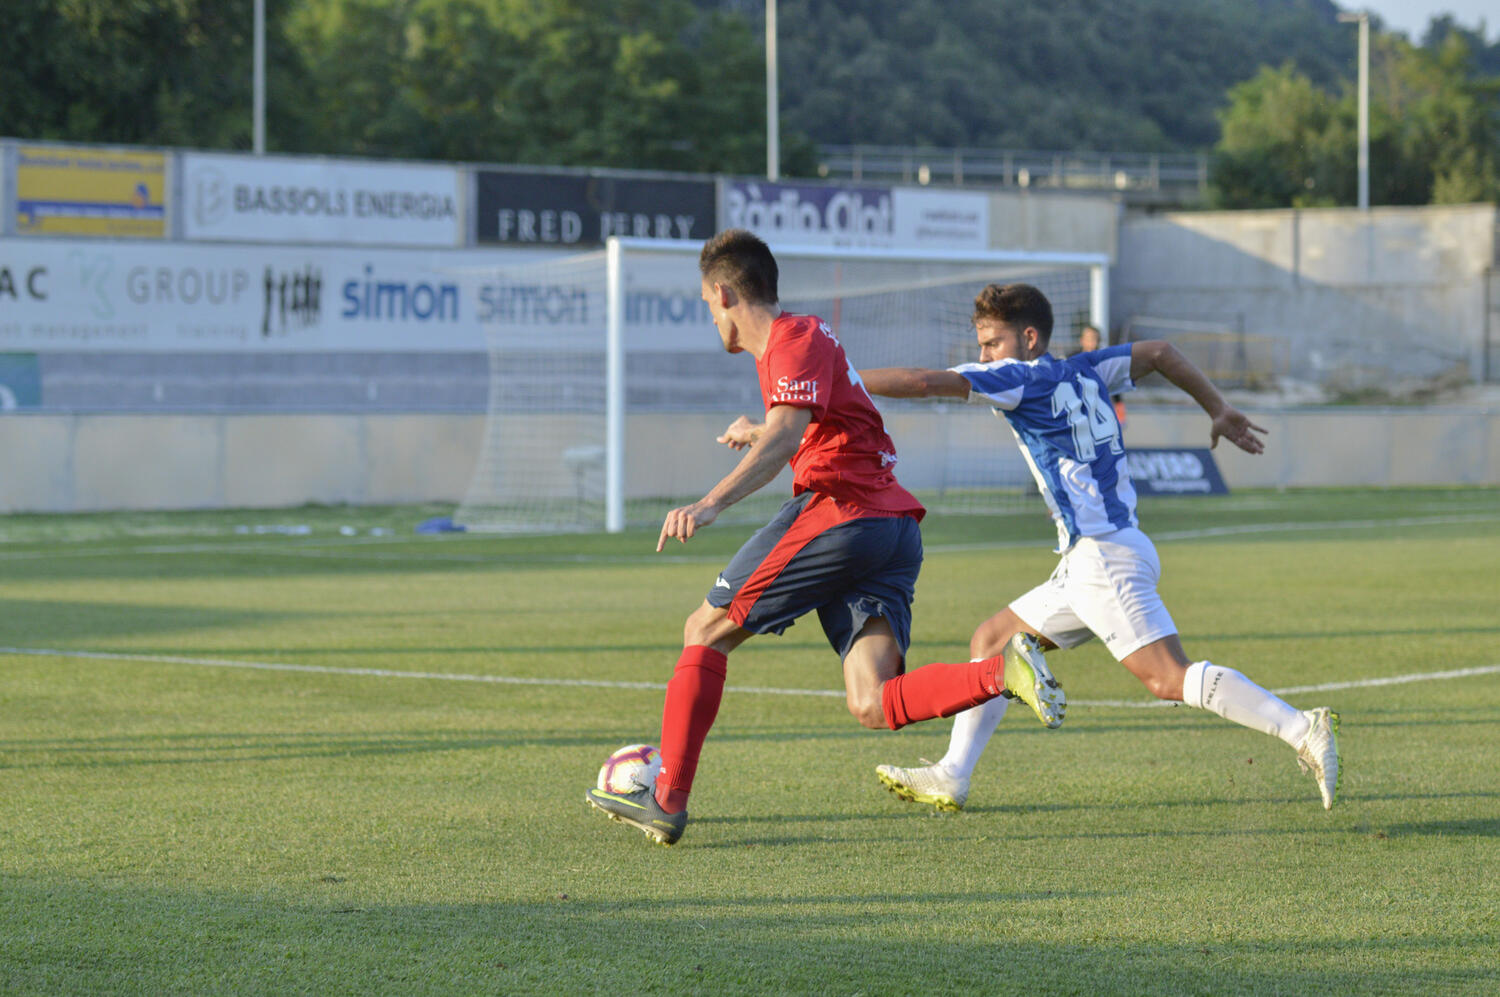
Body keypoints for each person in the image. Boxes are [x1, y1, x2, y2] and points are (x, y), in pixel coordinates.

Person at [584, 231, 1065, 845]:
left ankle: (667, 799)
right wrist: (760, 430)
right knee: (872, 701)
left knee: (703, 631)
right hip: (892, 527)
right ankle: (1003, 673)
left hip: (843, 513)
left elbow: (790, 436)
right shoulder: (806, 343)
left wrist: (709, 504)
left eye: (707, 304)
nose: (712, 318)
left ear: (724, 293)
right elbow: (831, 417)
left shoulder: (794, 337)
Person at [858, 282, 1341, 813]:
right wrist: (1218, 408)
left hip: (1103, 558)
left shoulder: (1019, 377)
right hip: (1105, 551)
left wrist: (843, 382)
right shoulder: (1090, 369)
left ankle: (1302, 728)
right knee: (992, 640)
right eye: (982, 346)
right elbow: (1161, 353)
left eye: (993, 343)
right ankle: (952, 774)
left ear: (1030, 338)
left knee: (1167, 677)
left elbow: (925, 381)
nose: (986, 356)